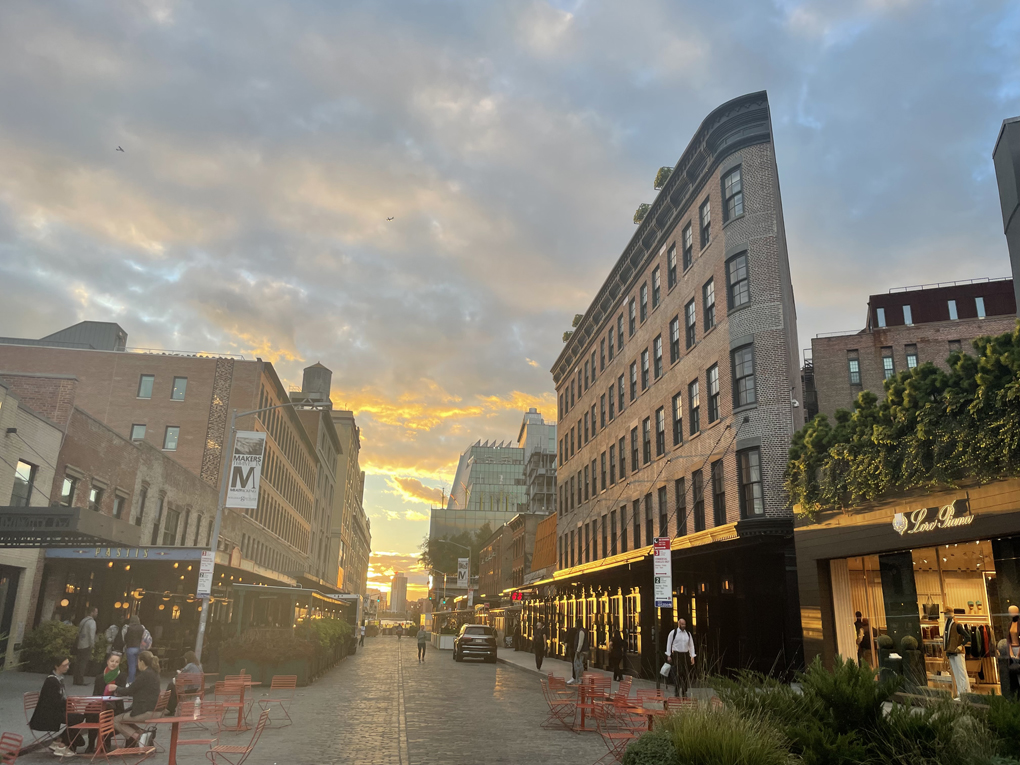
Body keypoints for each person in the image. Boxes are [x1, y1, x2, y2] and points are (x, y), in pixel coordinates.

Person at [30, 656, 85, 757]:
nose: (67, 667)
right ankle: (62, 745)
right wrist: (69, 703)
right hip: (48, 714)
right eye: (64, 665)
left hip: (53, 711)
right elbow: (54, 701)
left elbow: (58, 699)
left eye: (68, 664)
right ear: (56, 666)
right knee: (78, 718)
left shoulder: (58, 679)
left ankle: (60, 740)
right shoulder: (52, 681)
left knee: (76, 716)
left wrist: (69, 702)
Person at [112, 650, 161, 745]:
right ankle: (144, 734)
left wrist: (116, 688)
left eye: (138, 661)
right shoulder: (154, 673)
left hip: (145, 710)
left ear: (142, 661)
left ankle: (141, 738)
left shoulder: (145, 675)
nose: (137, 664)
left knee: (115, 720)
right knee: (124, 717)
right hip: (154, 708)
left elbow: (129, 690)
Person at [85, 652, 124, 754]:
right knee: (91, 713)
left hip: (115, 706)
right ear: (107, 662)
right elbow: (95, 694)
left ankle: (106, 742)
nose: (114, 664)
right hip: (100, 704)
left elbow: (121, 694)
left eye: (116, 662)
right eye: (112, 661)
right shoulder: (99, 677)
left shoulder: (121, 676)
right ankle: (91, 743)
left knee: (107, 713)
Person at [665, 618, 697, 698]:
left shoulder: (688, 634)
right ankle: (676, 690)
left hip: (685, 654)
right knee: (678, 673)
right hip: (677, 654)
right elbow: (669, 644)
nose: (684, 626)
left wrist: (692, 656)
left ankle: (684, 690)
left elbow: (691, 645)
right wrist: (668, 655)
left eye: (684, 624)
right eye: (682, 624)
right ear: (679, 624)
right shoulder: (673, 633)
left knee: (685, 674)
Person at [167, 650, 203, 715]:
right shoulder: (199, 665)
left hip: (189, 688)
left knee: (172, 686)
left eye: (185, 659)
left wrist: (178, 673)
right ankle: (170, 708)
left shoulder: (189, 665)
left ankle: (169, 708)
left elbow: (181, 675)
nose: (185, 661)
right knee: (174, 688)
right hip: (197, 688)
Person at [74, 607, 98, 686]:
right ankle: (80, 680)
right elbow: (92, 634)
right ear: (92, 612)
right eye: (96, 612)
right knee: (83, 663)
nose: (97, 614)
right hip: (87, 644)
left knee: (78, 662)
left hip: (80, 644)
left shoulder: (83, 620)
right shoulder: (92, 622)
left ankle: (75, 679)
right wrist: (92, 644)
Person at [123, 615, 146, 684]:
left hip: (130, 647)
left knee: (131, 666)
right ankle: (140, 681)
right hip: (139, 648)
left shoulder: (127, 627)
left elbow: (124, 637)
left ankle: (131, 681)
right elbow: (144, 637)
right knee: (140, 665)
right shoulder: (142, 627)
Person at [567, 620, 588, 685]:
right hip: (582, 651)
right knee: (579, 665)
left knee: (579, 665)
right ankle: (578, 679)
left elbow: (580, 642)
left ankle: (580, 680)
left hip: (581, 651)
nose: (575, 625)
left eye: (576, 623)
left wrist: (578, 651)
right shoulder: (580, 631)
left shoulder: (581, 631)